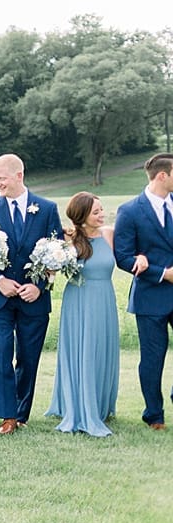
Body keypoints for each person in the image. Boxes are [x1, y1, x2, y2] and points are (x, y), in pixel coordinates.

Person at [0, 153, 62, 435]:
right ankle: (7, 415)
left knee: (28, 356)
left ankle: (22, 413)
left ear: (19, 175)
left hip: (33, 297)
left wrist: (40, 284)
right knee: (1, 353)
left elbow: (56, 251)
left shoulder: (46, 208)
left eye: (2, 177)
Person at [46, 191, 118, 436]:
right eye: (95, 211)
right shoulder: (69, 240)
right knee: (83, 349)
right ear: (81, 216)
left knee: (102, 348)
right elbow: (51, 270)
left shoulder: (109, 234)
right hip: (79, 298)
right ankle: (79, 404)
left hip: (105, 298)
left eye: (101, 210)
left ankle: (100, 403)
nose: (101, 215)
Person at [113, 152, 173, 430]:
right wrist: (161, 273)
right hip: (150, 296)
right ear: (163, 175)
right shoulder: (131, 210)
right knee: (152, 358)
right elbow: (123, 257)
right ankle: (154, 415)